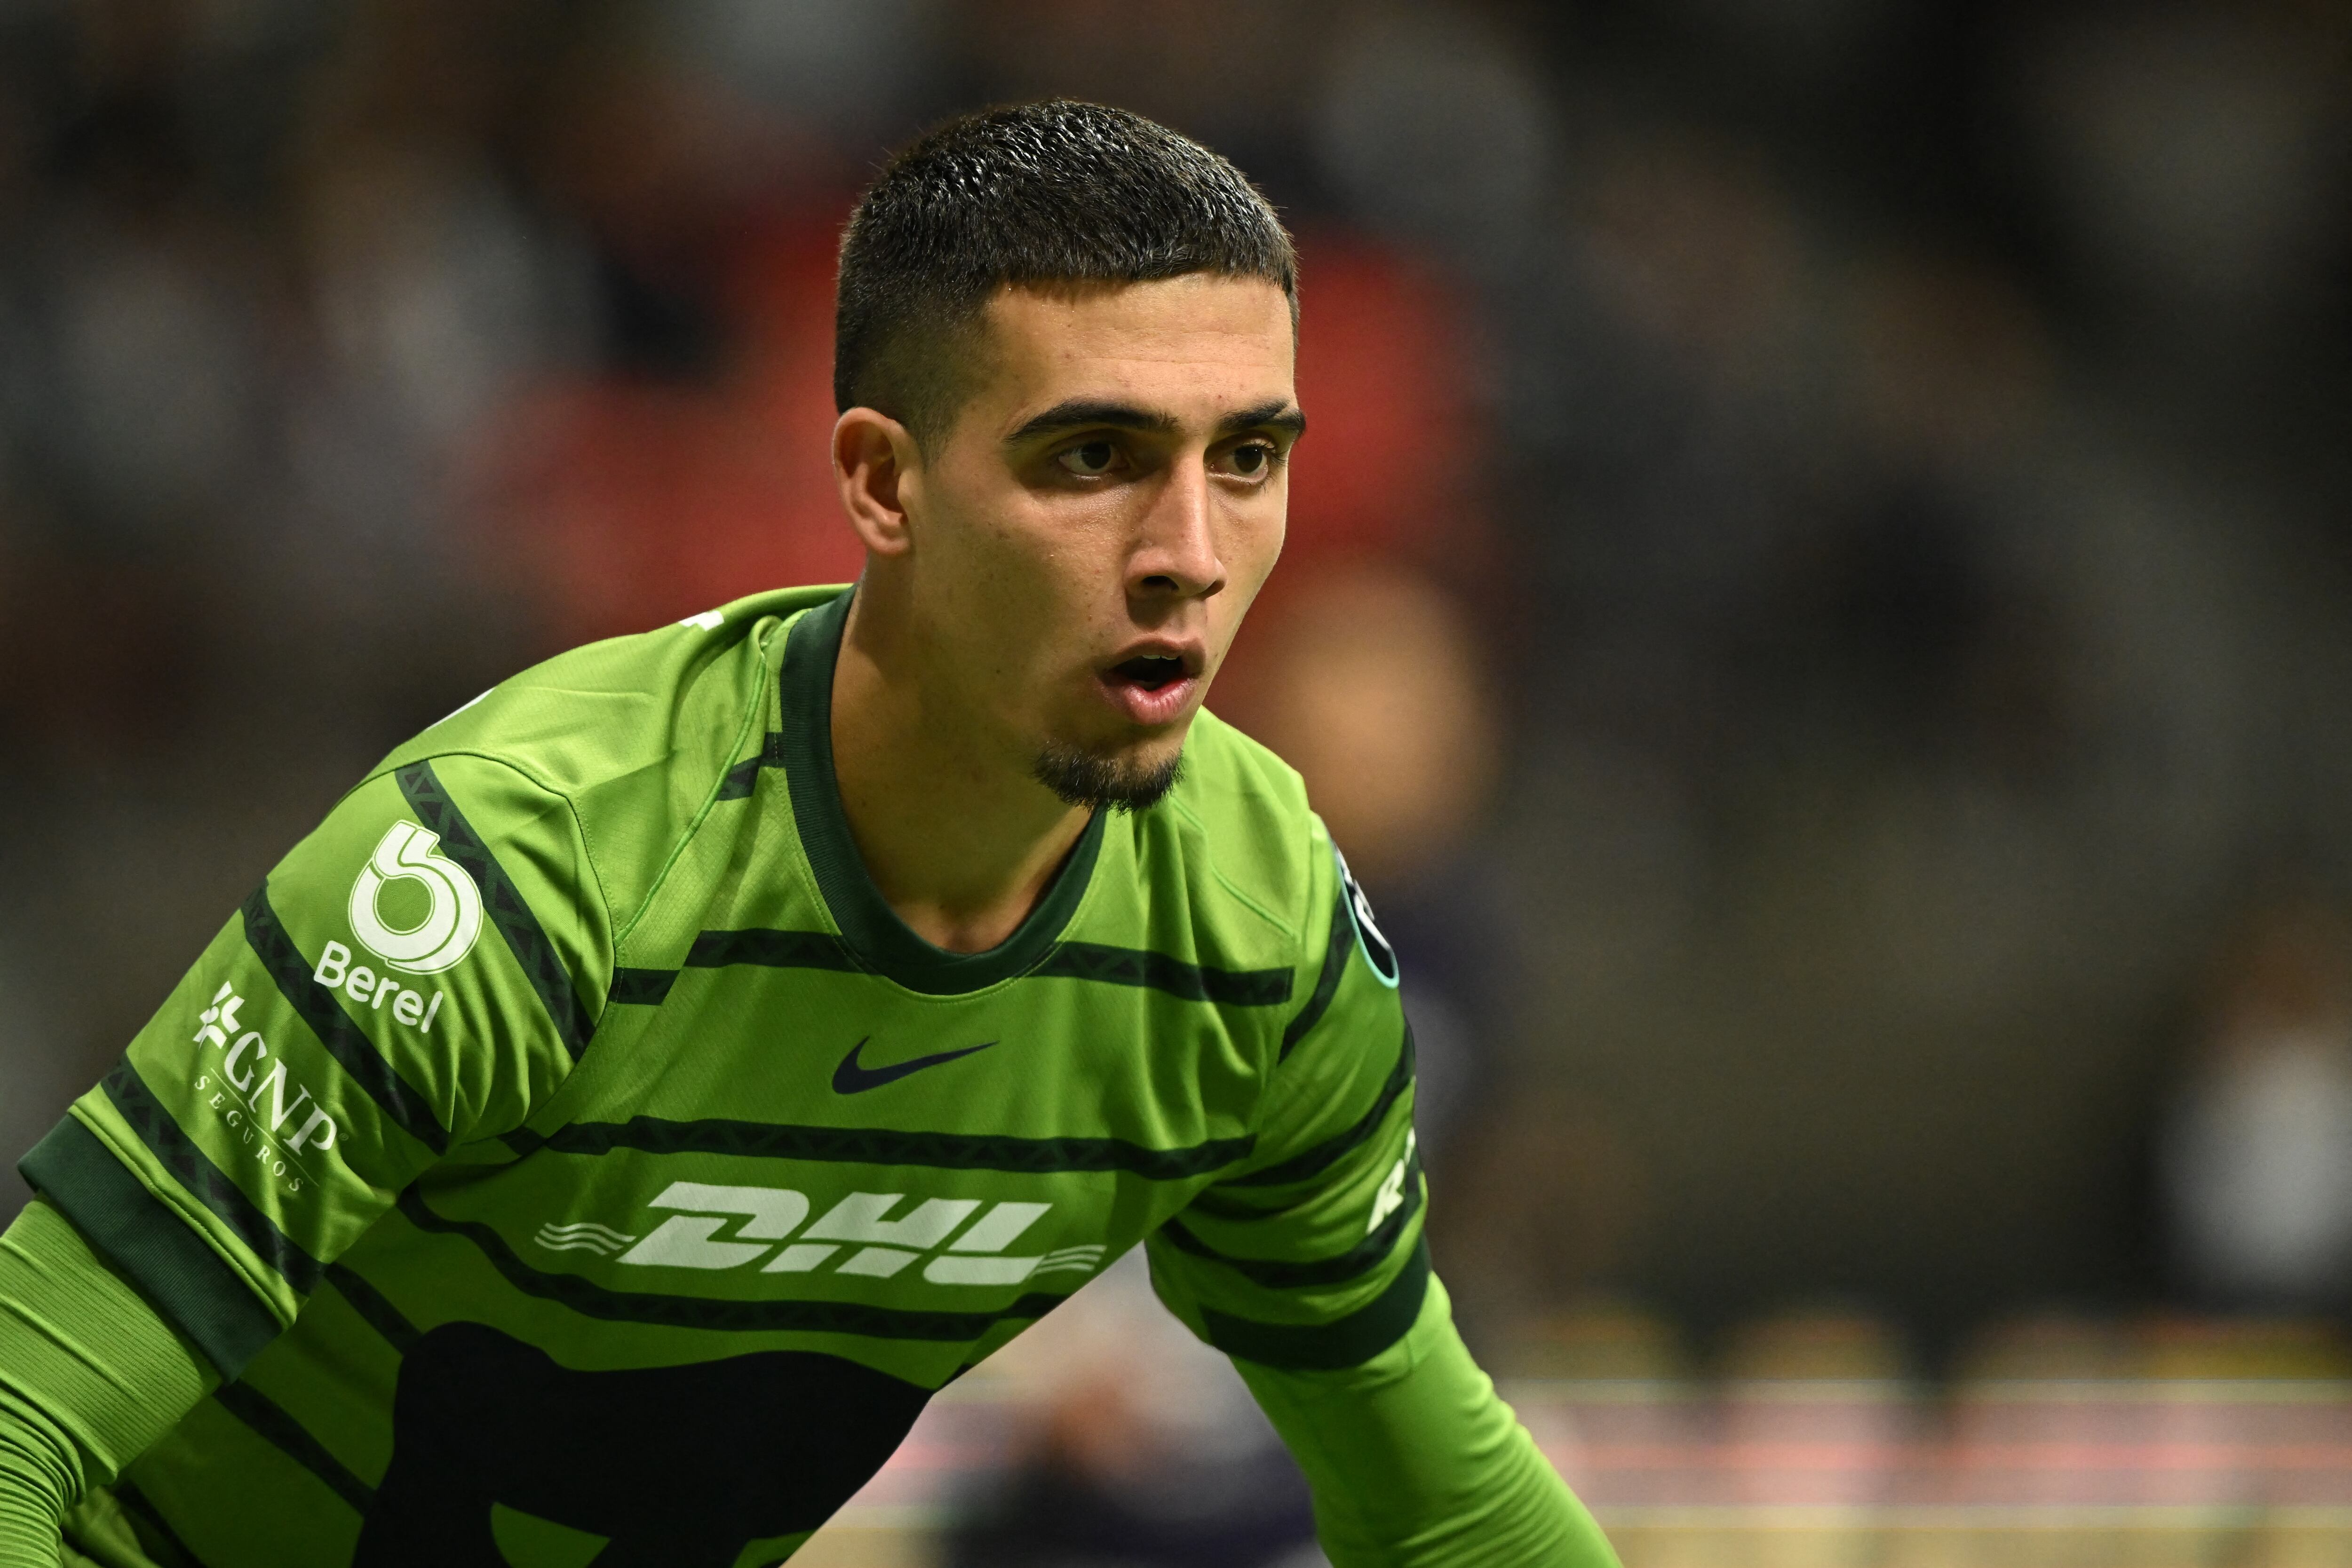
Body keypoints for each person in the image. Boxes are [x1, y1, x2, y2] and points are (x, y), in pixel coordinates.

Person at [0, 100, 1616, 1567]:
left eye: (1246, 458)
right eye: (1096, 458)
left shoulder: (1256, 931)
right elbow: (21, 1426)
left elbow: (1437, 1494)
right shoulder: (522, 872)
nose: (1190, 552)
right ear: (882, 483)